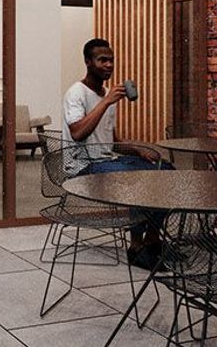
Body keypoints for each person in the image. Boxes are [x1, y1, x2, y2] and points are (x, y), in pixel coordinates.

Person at [62, 38, 166, 266]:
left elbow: (111, 140)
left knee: (166, 172)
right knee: (140, 180)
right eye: (102, 60)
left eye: (111, 60)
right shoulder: (76, 93)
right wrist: (106, 102)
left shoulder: (107, 94)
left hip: (107, 160)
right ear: (88, 62)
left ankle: (150, 240)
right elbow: (78, 132)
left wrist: (137, 150)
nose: (109, 65)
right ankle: (138, 245)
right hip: (83, 166)